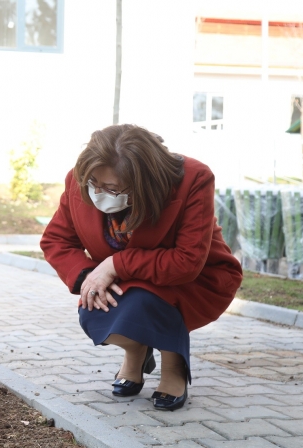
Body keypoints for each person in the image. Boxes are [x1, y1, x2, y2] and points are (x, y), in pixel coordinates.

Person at [40, 124, 242, 411]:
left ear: (142, 182)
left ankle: (174, 364)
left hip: (194, 279)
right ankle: (136, 349)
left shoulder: (193, 178)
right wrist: (89, 276)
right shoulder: (78, 180)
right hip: (129, 281)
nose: (98, 193)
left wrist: (115, 264)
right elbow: (56, 239)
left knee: (145, 302)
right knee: (93, 310)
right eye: (93, 184)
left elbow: (186, 261)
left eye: (111, 188)